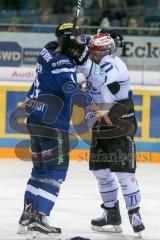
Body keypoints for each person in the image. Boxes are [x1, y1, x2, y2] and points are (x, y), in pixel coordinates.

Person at [17, 22, 105, 240]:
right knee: (56, 172)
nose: (82, 41)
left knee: (40, 170)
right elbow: (70, 88)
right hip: (53, 122)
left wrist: (76, 54)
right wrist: (91, 108)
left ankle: (27, 217)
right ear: (70, 40)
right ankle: (39, 220)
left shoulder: (47, 49)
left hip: (35, 118)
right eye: (79, 38)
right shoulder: (64, 62)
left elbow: (63, 58)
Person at [65, 33, 145, 234]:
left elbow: (99, 78)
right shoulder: (96, 57)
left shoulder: (114, 63)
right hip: (100, 120)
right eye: (90, 52)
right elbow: (80, 65)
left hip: (121, 120)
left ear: (107, 52)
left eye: (95, 53)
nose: (92, 55)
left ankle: (134, 213)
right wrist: (72, 44)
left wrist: (82, 56)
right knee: (100, 171)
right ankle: (111, 213)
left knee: (123, 171)